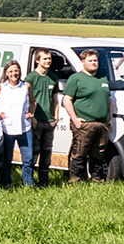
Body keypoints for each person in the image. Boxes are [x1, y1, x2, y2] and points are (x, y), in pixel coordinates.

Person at [61, 49, 111, 183]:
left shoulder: (103, 78)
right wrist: (75, 119)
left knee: (99, 154)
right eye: (90, 60)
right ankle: (75, 179)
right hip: (84, 124)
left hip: (102, 124)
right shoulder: (76, 78)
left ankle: (97, 179)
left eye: (95, 60)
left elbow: (109, 100)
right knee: (80, 153)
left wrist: (109, 119)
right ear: (83, 62)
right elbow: (67, 99)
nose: (94, 63)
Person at [0, 60, 33, 186]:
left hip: (24, 127)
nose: (14, 74)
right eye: (11, 71)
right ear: (6, 73)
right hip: (8, 127)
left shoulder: (26, 86)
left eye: (16, 71)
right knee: (7, 159)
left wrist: (31, 113)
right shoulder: (1, 87)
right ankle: (6, 183)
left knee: (28, 159)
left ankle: (28, 184)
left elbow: (33, 102)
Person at [23, 50, 60, 184]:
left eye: (49, 59)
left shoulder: (53, 78)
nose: (48, 61)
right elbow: (27, 100)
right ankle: (29, 181)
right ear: (37, 61)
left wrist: (56, 117)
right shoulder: (31, 78)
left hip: (49, 121)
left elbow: (55, 100)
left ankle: (44, 181)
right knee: (34, 151)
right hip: (36, 120)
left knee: (47, 152)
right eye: (44, 59)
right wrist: (32, 117)